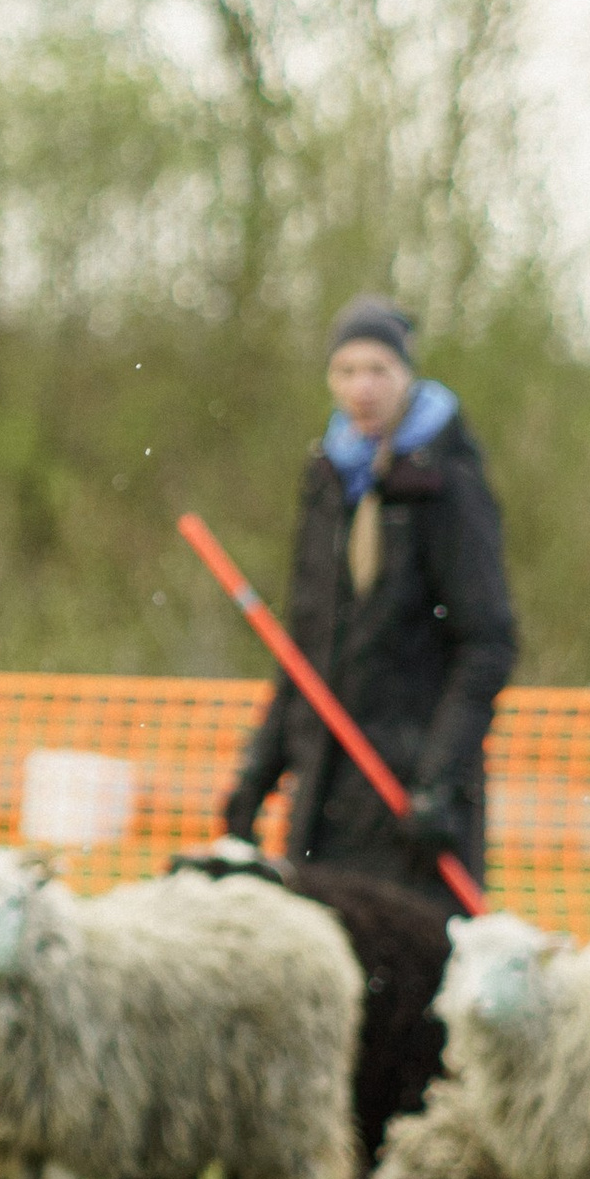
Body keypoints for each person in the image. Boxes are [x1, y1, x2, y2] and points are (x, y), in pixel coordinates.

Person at [221, 295, 517, 907]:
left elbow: (488, 644)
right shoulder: (326, 481)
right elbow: (304, 651)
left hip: (409, 810)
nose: (362, 387)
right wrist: (260, 773)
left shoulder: (448, 485)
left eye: (378, 369)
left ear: (407, 375)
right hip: (323, 803)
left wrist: (439, 783)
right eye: (346, 371)